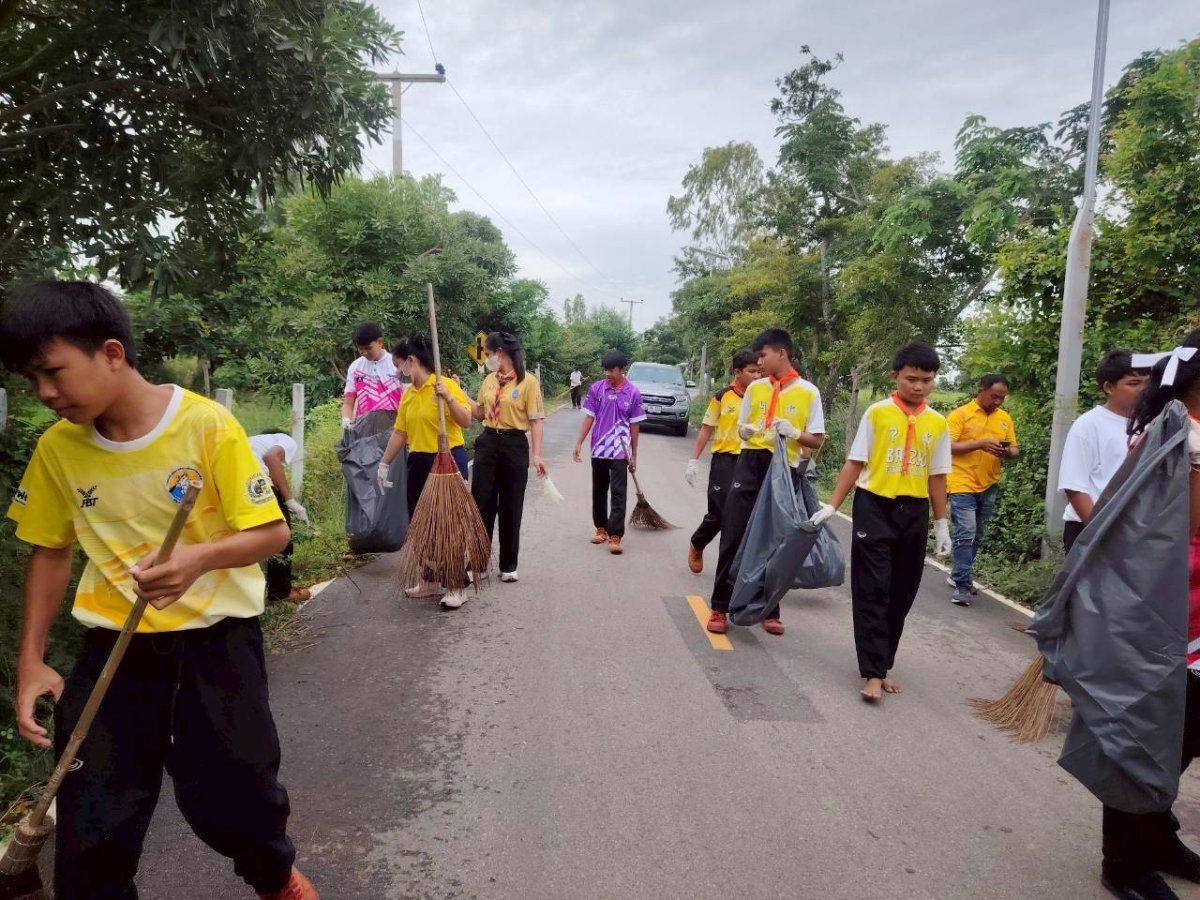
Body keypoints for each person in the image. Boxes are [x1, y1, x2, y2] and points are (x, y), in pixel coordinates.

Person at [1, 282, 316, 900]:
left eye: (53, 372)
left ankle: (276, 878)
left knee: (237, 796)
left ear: (112, 353)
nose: (44, 393)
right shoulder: (58, 449)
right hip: (113, 647)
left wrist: (198, 558)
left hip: (215, 645)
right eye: (32, 379)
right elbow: (51, 550)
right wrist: (32, 660)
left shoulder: (204, 425)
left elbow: (272, 532)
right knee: (93, 820)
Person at [1095, 335, 1200, 900]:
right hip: (1165, 619)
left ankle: (1157, 835)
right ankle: (1123, 860)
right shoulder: (1167, 440)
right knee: (1147, 742)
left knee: (1185, 737)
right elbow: (1186, 527)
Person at [813, 344, 952, 702]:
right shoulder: (877, 413)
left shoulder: (937, 423)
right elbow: (855, 462)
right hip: (874, 507)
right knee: (873, 588)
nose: (919, 386)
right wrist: (832, 505)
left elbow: (938, 476)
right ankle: (873, 673)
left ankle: (883, 664)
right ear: (896, 376)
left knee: (902, 593)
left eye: (927, 380)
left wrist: (941, 522)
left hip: (915, 512)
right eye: (912, 379)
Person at [705, 329, 825, 637]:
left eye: (764, 356)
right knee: (733, 533)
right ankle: (720, 605)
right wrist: (746, 432)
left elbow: (817, 439)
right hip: (750, 463)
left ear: (781, 354)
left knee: (776, 539)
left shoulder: (808, 392)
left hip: (784, 469)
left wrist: (795, 434)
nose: (760, 362)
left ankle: (769, 608)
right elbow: (744, 426)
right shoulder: (756, 389)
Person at [378, 335, 473, 608]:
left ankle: (456, 585)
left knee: (449, 524)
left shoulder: (446, 385)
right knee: (421, 524)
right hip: (418, 460)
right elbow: (400, 432)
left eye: (400, 366)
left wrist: (449, 399)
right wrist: (384, 463)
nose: (399, 373)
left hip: (447, 459)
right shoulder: (409, 394)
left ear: (411, 361)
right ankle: (430, 580)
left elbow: (466, 421)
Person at [470, 332, 547, 582]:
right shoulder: (490, 380)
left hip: (514, 445)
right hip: (488, 442)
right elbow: (480, 412)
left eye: (489, 353)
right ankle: (478, 563)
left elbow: (536, 421)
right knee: (482, 504)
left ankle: (508, 564)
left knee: (511, 506)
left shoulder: (528, 382)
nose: (488, 358)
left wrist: (537, 455)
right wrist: (455, 395)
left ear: (499, 353)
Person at [1058, 350, 1150, 553]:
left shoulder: (1153, 423)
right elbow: (1074, 487)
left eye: (1147, 382)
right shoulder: (1089, 425)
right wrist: (1101, 534)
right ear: (1108, 387)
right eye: (1134, 383)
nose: (1143, 389)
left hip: (1136, 531)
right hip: (1091, 529)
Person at [684, 349, 760, 575]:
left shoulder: (763, 396)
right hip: (725, 460)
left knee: (741, 517)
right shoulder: (722, 396)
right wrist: (693, 460)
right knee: (719, 512)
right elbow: (707, 428)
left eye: (759, 371)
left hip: (751, 459)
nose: (757, 376)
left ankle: (730, 569)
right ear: (738, 372)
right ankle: (698, 543)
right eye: (751, 371)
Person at [945, 374, 1019, 606]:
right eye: (994, 396)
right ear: (981, 390)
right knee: (966, 531)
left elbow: (1015, 449)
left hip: (989, 483)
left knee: (977, 534)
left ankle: (958, 573)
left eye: (1002, 397)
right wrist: (980, 443)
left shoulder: (1004, 419)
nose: (998, 401)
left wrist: (1007, 451)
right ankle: (963, 585)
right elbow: (947, 446)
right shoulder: (960, 415)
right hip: (961, 482)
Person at [573, 350, 646, 555]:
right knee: (599, 490)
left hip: (621, 451)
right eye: (605, 370)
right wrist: (579, 443)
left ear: (621, 370)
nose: (608, 374)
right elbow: (589, 418)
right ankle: (601, 528)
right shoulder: (597, 389)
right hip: (599, 449)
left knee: (618, 493)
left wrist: (634, 455)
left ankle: (615, 535)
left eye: (612, 370)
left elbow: (635, 426)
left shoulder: (633, 393)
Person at [249, 432, 312, 604]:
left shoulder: (251, 441)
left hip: (233, 485)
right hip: (257, 483)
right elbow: (271, 458)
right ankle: (281, 593)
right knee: (281, 536)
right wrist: (290, 500)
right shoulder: (286, 440)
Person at [339, 321, 402, 429]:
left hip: (395, 430)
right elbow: (348, 404)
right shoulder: (355, 368)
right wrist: (346, 420)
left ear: (380, 342)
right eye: (360, 349)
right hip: (365, 434)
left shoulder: (397, 365)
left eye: (368, 348)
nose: (364, 352)